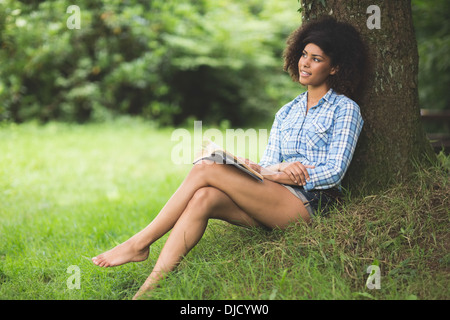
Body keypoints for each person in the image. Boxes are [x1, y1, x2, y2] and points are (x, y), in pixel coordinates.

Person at [92, 16, 368, 299]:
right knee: (204, 198)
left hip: (310, 204)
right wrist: (268, 169)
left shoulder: (345, 110)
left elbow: (334, 171)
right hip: (273, 198)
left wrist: (277, 173)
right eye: (303, 55)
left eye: (316, 59)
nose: (305, 63)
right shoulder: (287, 112)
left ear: (334, 67)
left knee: (204, 170)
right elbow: (271, 163)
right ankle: (148, 291)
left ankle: (140, 242)